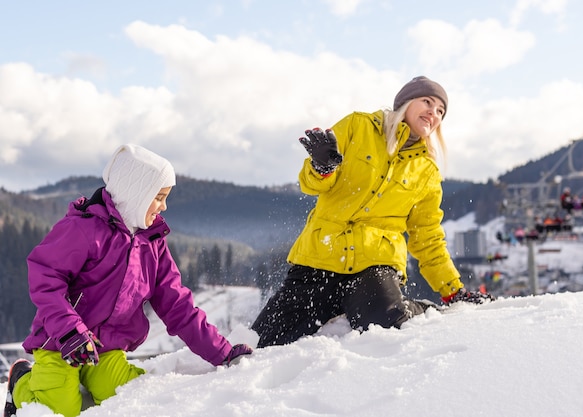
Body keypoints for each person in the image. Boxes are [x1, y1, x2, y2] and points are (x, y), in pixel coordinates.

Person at [4, 144, 253, 417]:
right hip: (61, 343)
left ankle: (88, 380)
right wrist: (69, 331)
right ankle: (21, 382)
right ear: (136, 193)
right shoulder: (84, 229)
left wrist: (223, 353)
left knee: (130, 395)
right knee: (61, 409)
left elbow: (177, 305)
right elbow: (45, 277)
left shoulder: (152, 243)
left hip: (107, 347)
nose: (164, 206)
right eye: (158, 197)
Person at [251, 76, 494, 348]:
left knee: (383, 323)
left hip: (373, 263)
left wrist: (453, 291)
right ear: (405, 102)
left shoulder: (426, 171)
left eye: (440, 111)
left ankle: (415, 308)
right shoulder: (359, 126)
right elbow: (310, 185)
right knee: (264, 342)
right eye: (427, 101)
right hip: (320, 257)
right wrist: (321, 167)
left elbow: (427, 237)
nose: (433, 113)